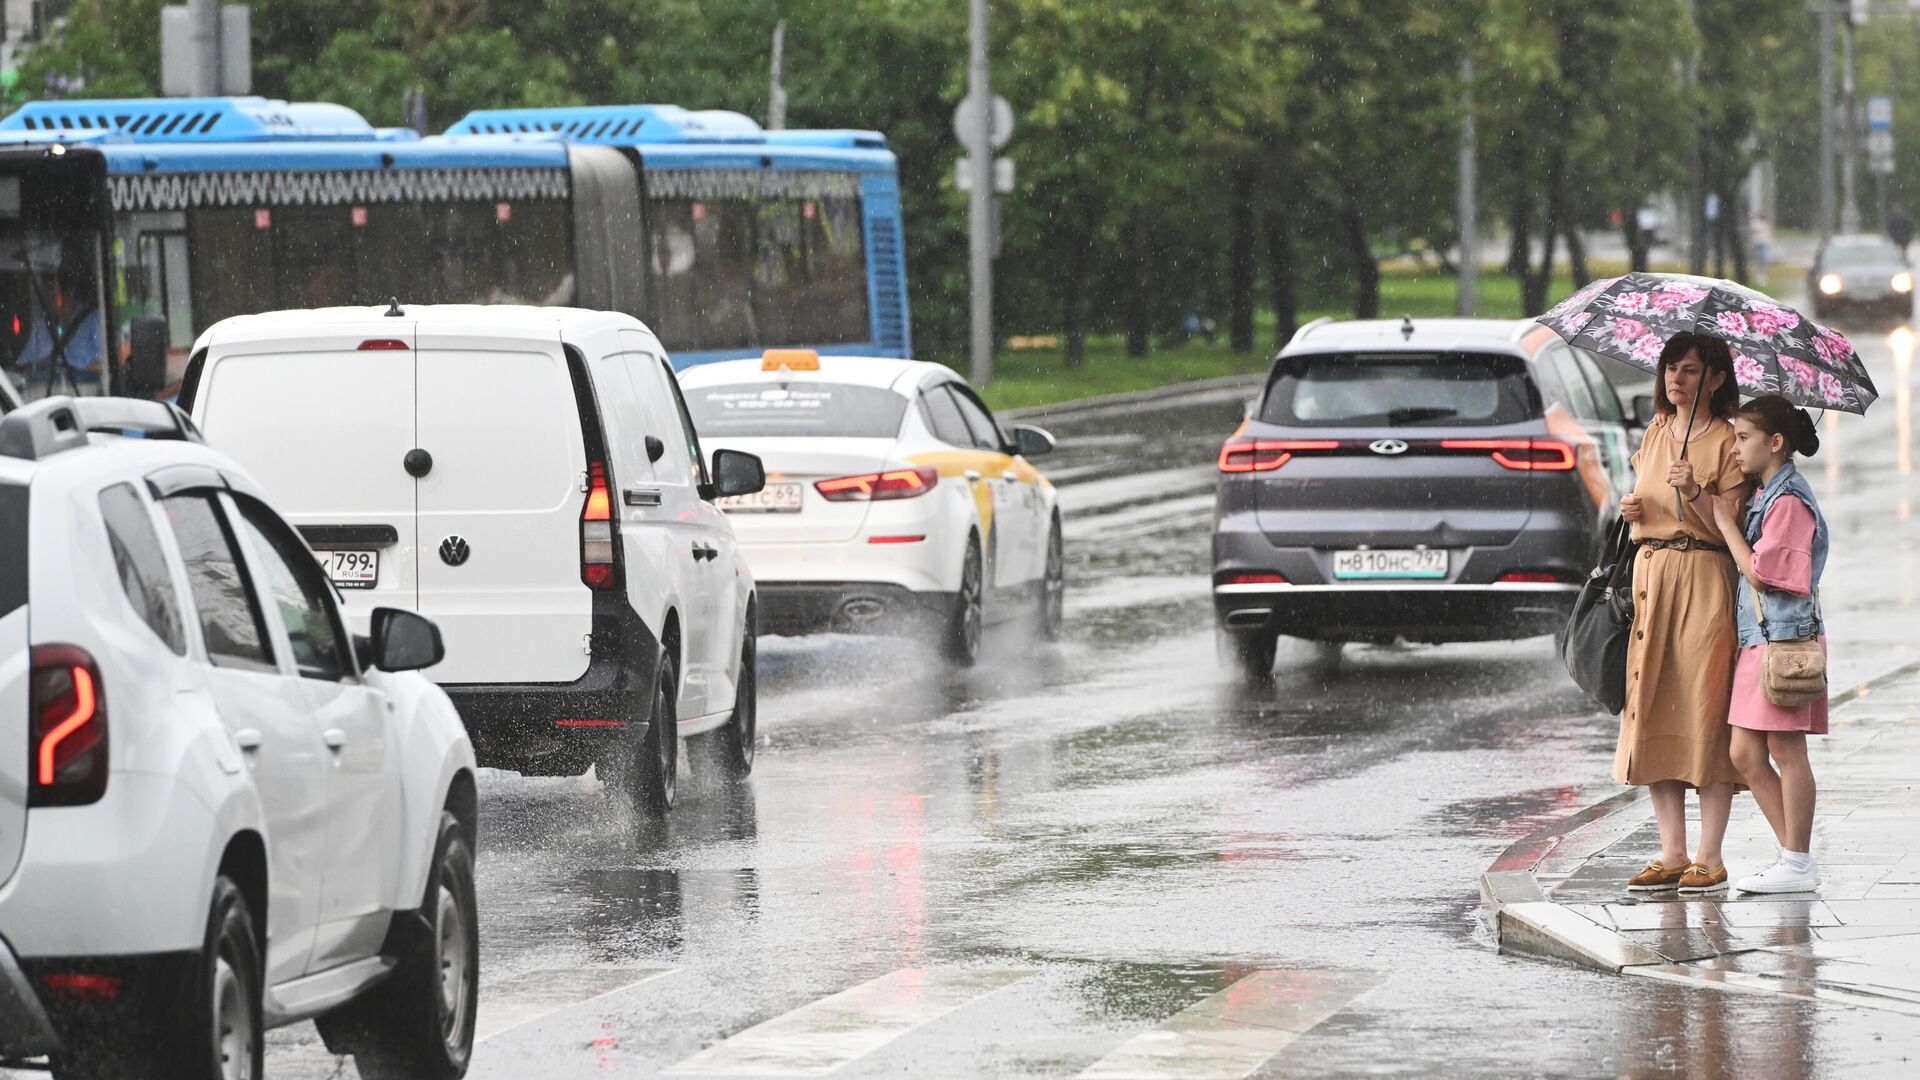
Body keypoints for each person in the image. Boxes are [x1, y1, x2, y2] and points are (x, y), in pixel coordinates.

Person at [1615, 331, 1750, 895]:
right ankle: (1670, 851)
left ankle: (1709, 855)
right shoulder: (1655, 432)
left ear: (1716, 378)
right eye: (1671, 368)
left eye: (1691, 370)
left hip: (1703, 577)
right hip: (1651, 577)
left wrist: (1696, 493)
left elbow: (1734, 527)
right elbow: (1645, 502)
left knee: (1704, 708)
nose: (1677, 379)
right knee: (1653, 710)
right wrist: (1632, 510)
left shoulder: (1728, 443)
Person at [1711, 396, 1829, 894]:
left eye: (1743, 438)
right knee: (1744, 752)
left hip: (1784, 644)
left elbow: (1765, 574)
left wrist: (1724, 525)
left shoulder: (1789, 501)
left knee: (1786, 749)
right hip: (1759, 640)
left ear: (1775, 443)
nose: (1735, 448)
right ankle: (1794, 858)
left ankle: (1797, 862)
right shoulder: (1767, 494)